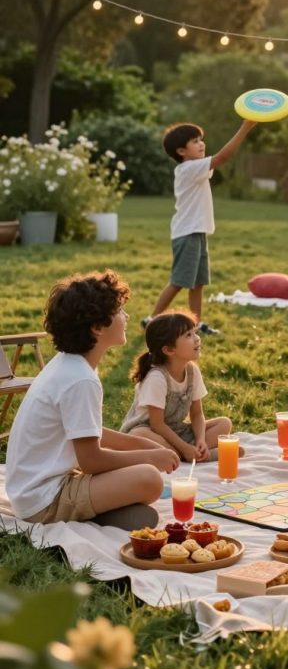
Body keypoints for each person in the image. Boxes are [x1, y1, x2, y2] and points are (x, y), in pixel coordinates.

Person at [6, 270, 179, 528]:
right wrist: (150, 458)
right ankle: (98, 511)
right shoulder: (80, 379)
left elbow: (91, 432)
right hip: (43, 500)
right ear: (97, 327)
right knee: (150, 479)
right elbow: (91, 460)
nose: (127, 316)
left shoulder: (71, 365)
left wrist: (147, 447)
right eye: (119, 311)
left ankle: (103, 511)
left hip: (34, 491)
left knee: (142, 488)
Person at [143, 118, 256, 335]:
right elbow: (223, 157)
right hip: (187, 233)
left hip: (197, 232)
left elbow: (217, 159)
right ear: (181, 151)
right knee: (178, 281)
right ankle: (152, 320)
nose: (201, 144)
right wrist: (245, 127)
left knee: (197, 283)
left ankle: (195, 325)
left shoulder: (195, 167)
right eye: (195, 141)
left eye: (201, 139)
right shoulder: (188, 169)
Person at [120, 309, 236, 461]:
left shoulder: (192, 371)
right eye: (188, 335)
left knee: (224, 423)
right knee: (140, 435)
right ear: (169, 350)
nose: (197, 339)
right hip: (150, 432)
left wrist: (201, 439)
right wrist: (184, 446)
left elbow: (196, 414)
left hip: (176, 430)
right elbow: (157, 425)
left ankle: (194, 452)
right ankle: (190, 455)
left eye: (195, 332)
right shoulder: (157, 378)